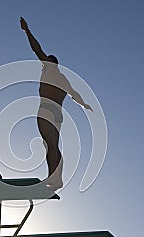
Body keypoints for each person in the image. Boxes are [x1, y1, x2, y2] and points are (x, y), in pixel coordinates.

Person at [20, 17, 93, 191]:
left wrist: (27, 31)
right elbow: (74, 93)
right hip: (58, 114)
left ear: (51, 62)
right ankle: (56, 179)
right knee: (52, 146)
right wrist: (84, 104)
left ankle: (54, 179)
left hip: (46, 109)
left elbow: (37, 49)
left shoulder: (49, 69)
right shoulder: (62, 78)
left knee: (50, 145)